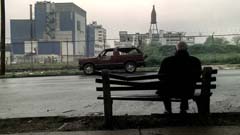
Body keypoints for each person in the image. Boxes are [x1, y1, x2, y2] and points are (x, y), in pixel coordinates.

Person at [156, 41, 202, 114]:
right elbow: (197, 77)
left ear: (176, 49)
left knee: (164, 88)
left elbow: (160, 77)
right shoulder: (195, 61)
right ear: (187, 48)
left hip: (170, 91)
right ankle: (183, 109)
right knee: (186, 86)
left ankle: (168, 110)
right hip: (188, 91)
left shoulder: (167, 61)